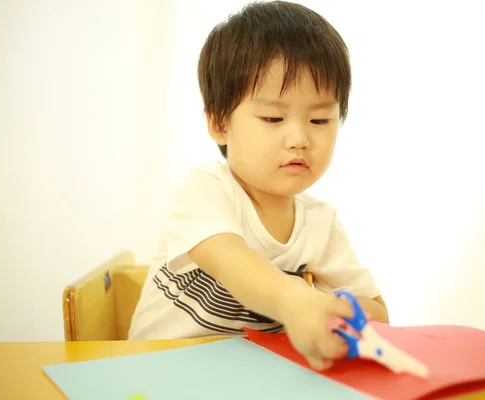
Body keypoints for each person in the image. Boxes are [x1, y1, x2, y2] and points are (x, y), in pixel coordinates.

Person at [128, 0, 388, 371]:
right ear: (220, 123)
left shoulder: (320, 224)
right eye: (273, 117)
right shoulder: (205, 189)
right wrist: (296, 300)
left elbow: (378, 313)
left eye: (319, 120)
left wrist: (338, 312)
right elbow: (229, 258)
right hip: (155, 370)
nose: (299, 138)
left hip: (252, 378)